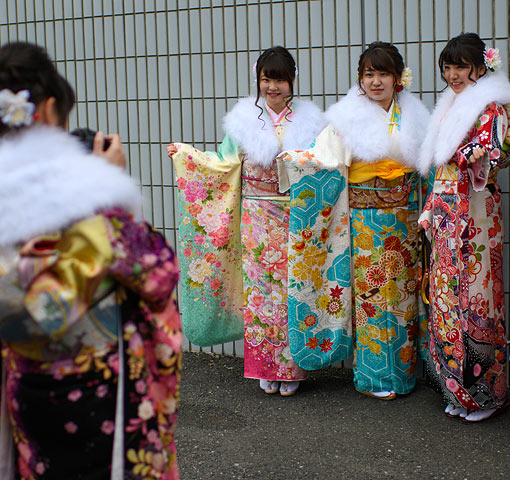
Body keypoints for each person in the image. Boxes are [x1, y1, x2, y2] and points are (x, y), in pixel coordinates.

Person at [0, 42, 182, 479]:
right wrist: (108, 187)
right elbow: (158, 272)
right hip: (96, 393)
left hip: (25, 387)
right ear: (45, 110)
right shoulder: (88, 203)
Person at [168, 46, 325, 397]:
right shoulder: (244, 120)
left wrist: (300, 160)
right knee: (261, 293)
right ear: (258, 81)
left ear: (292, 81)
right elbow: (224, 162)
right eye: (266, 79)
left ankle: (293, 368)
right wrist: (187, 156)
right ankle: (266, 368)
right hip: (256, 217)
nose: (273, 87)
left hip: (296, 216)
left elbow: (323, 162)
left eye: (280, 79)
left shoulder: (311, 121)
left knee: (292, 290)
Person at [281, 42, 430, 400]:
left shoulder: (415, 115)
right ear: (360, 79)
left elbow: (430, 166)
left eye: (383, 74)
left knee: (405, 298)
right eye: (368, 74)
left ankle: (405, 373)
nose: (375, 81)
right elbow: (323, 160)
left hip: (406, 221)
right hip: (367, 224)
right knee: (374, 298)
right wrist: (296, 160)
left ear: (398, 78)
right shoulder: (346, 118)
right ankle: (375, 377)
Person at [417, 33, 510, 421]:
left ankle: (487, 395)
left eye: (461, 65)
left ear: (480, 66)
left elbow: (492, 155)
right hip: (447, 212)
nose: (453, 74)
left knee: (479, 299)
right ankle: (455, 389)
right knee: (445, 298)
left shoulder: (492, 107)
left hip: (476, 211)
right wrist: (432, 207)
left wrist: (473, 156)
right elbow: (438, 168)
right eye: (447, 66)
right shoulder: (450, 106)